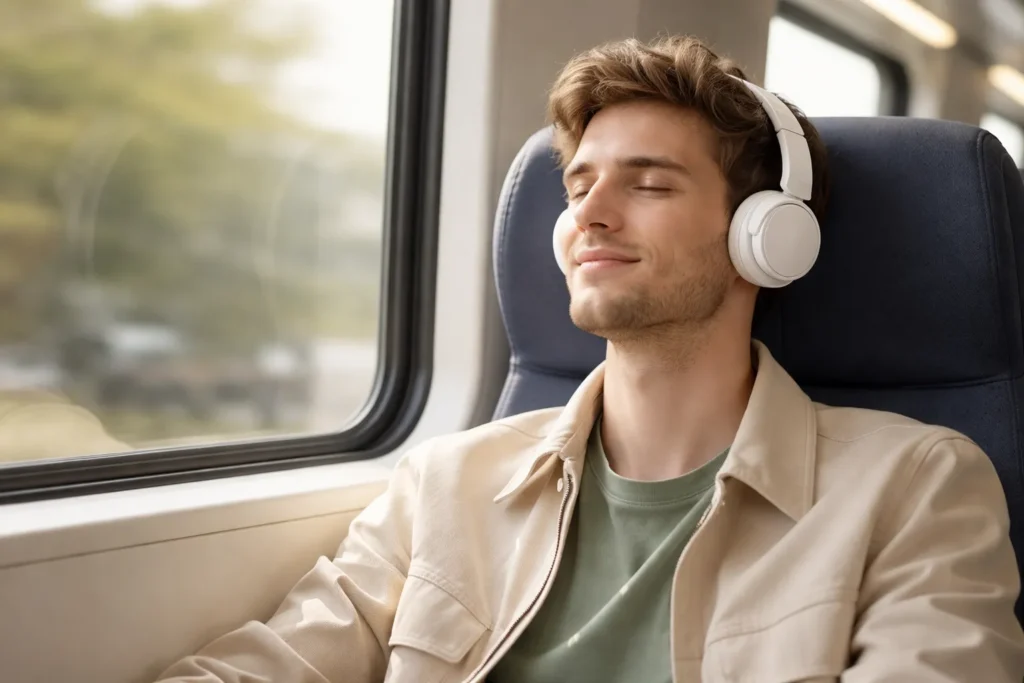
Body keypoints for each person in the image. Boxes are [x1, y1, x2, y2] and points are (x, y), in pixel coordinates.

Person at [154, 35, 1024, 682]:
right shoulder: (448, 482)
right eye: (578, 186)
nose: (588, 216)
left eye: (648, 184)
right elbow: (266, 666)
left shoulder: (914, 486)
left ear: (769, 237)